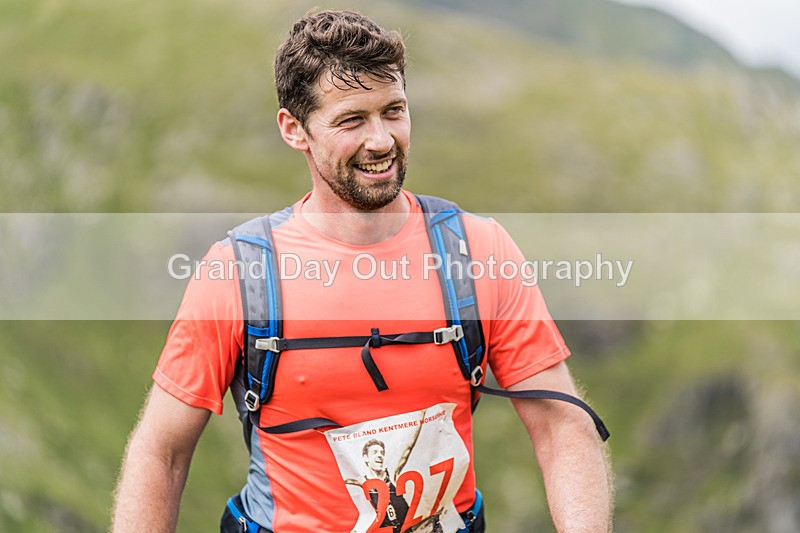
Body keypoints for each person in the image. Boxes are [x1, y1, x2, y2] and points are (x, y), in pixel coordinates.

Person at [111, 9, 613, 533]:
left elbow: (561, 429)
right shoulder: (238, 273)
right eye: (352, 120)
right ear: (294, 129)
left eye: (393, 111)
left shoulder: (478, 250)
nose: (380, 140)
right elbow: (161, 453)